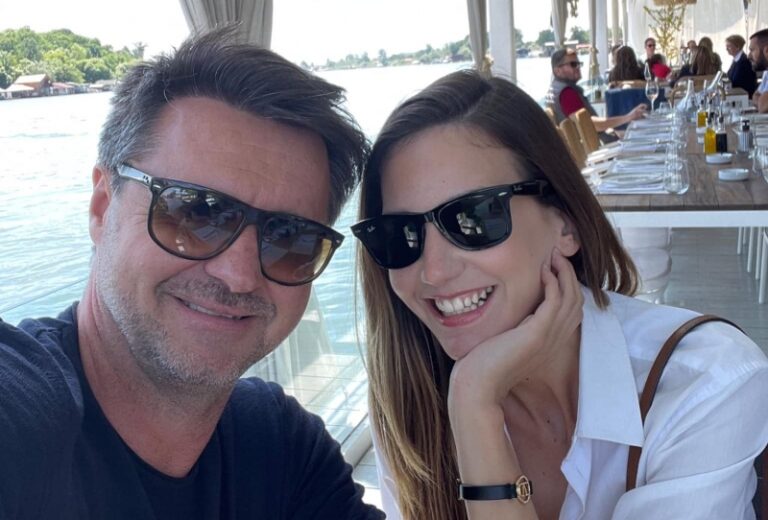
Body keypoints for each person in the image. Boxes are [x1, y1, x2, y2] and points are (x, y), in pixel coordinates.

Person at [0, 27, 384, 519]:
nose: (239, 275)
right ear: (102, 207)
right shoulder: (22, 413)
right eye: (195, 212)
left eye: (291, 238)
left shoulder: (282, 447)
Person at [352, 69, 768, 519]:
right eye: (400, 235)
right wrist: (474, 402)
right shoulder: (408, 403)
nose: (433, 271)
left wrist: (474, 408)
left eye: (475, 219)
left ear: (565, 224)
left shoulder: (706, 385)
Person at [545, 48, 646, 138]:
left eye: (578, 64)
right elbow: (590, 125)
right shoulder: (567, 94)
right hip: (595, 148)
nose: (578, 67)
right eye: (573, 64)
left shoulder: (554, 90)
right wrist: (628, 117)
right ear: (557, 71)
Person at [749, 28, 768, 113]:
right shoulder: (766, 72)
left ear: (767, 51)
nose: (749, 56)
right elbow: (755, 96)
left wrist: (761, 100)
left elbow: (762, 106)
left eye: (752, 50)